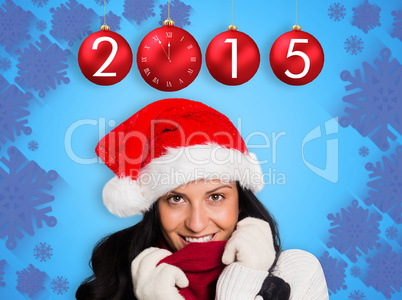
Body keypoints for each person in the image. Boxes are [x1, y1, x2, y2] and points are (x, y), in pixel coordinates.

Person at [76, 98, 329, 300]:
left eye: (216, 196)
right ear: (154, 208)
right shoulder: (118, 279)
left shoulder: (297, 272)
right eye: (176, 199)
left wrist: (245, 278)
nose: (196, 224)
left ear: (240, 201)